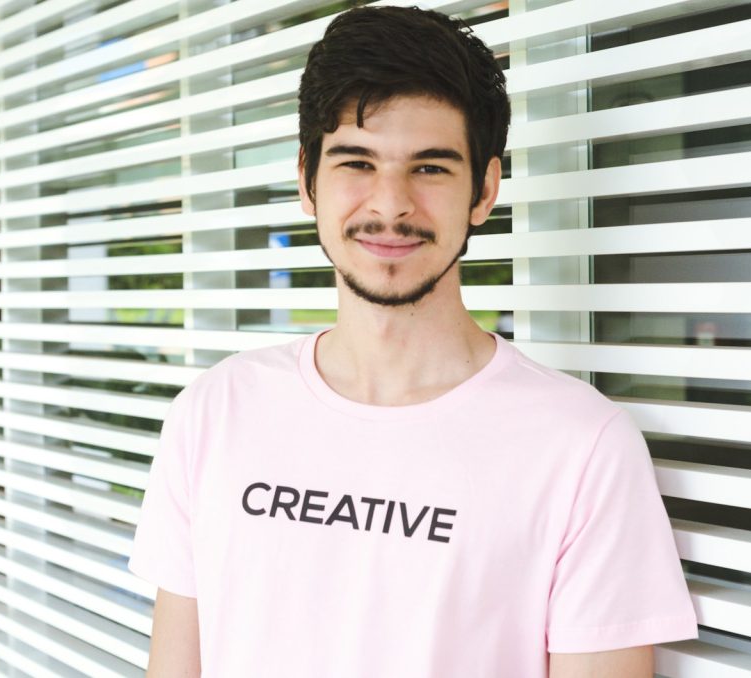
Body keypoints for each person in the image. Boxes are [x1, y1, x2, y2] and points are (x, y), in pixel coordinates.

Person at [129, 6, 698, 677]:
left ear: (484, 190)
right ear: (307, 178)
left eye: (430, 168)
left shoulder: (582, 447)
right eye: (356, 162)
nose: (391, 204)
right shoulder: (215, 411)